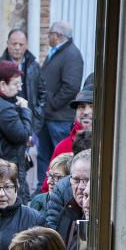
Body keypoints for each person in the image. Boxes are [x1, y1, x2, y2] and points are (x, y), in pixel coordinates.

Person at [36, 21, 84, 190]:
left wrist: (53, 104)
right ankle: (43, 190)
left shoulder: (72, 55)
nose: (48, 37)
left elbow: (71, 86)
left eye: (49, 34)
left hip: (59, 118)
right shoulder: (57, 52)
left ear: (57, 36)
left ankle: (61, 190)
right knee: (44, 157)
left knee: (61, 159)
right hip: (49, 117)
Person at [0, 28, 46, 139]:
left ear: (26, 45)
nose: (17, 47)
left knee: (29, 155)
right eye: (14, 44)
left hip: (30, 121)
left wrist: (37, 116)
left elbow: (42, 93)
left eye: (21, 44)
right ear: (7, 44)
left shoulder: (34, 66)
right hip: (5, 125)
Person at [0, 61, 33, 203]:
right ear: (3, 85)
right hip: (9, 167)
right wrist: (25, 110)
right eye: (16, 84)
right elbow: (22, 135)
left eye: (20, 84)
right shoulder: (4, 109)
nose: (19, 89)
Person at [39, 86, 92, 193]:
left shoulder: (111, 145)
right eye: (81, 107)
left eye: (92, 106)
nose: (86, 112)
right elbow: (46, 188)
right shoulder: (63, 146)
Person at [46, 149, 90, 250]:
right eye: (76, 180)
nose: (81, 187)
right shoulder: (61, 192)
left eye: (87, 180)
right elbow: (51, 238)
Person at [30, 153, 73, 221]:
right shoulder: (37, 200)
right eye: (49, 175)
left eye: (58, 177)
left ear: (71, 179)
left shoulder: (75, 206)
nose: (49, 182)